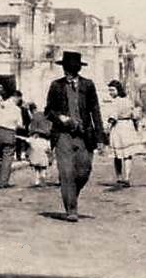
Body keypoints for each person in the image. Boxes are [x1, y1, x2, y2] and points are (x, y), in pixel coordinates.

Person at [44, 51, 104, 222]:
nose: (68, 71)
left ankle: (72, 194)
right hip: (62, 135)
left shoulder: (88, 85)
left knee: (84, 171)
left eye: (71, 68)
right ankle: (71, 209)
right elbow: (49, 111)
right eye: (66, 68)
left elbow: (95, 111)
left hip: (84, 135)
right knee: (66, 172)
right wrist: (61, 118)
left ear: (78, 68)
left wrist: (100, 138)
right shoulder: (56, 85)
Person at [0, 81, 23, 188]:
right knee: (7, 157)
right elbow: (20, 124)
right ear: (16, 98)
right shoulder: (17, 109)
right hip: (9, 132)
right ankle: (3, 182)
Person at [105, 79, 141, 187]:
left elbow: (113, 116)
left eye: (112, 90)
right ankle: (127, 177)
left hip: (119, 127)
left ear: (118, 90)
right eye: (109, 90)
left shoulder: (116, 101)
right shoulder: (128, 100)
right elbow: (135, 115)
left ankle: (119, 177)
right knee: (127, 154)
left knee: (118, 154)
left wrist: (107, 127)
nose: (110, 93)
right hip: (129, 126)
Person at [26, 109, 54, 187]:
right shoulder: (49, 117)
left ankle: (37, 178)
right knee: (44, 161)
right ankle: (43, 176)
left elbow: (31, 129)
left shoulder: (36, 116)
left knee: (36, 163)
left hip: (36, 141)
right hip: (45, 141)